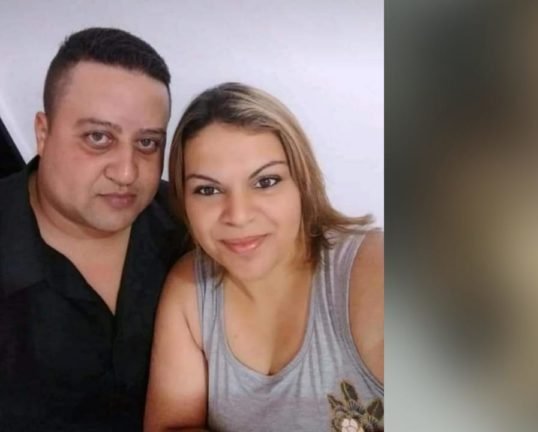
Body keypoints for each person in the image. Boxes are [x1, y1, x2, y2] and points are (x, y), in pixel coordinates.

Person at [144, 82, 384, 431]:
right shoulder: (190, 288)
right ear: (183, 202)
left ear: (302, 182)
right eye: (208, 190)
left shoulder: (374, 270)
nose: (238, 215)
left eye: (266, 182)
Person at [0, 28, 188, 431]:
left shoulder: (192, 227)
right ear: (43, 133)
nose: (127, 172)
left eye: (147, 143)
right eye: (98, 137)